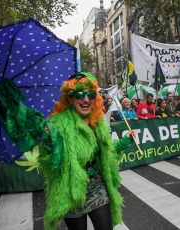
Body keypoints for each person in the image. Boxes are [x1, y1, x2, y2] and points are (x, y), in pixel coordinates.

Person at [40, 72, 135, 230]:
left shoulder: (96, 122)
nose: (85, 99)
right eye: (79, 95)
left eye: (90, 94)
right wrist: (50, 145)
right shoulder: (58, 124)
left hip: (97, 189)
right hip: (72, 192)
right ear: (70, 98)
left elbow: (107, 151)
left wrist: (125, 141)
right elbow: (51, 163)